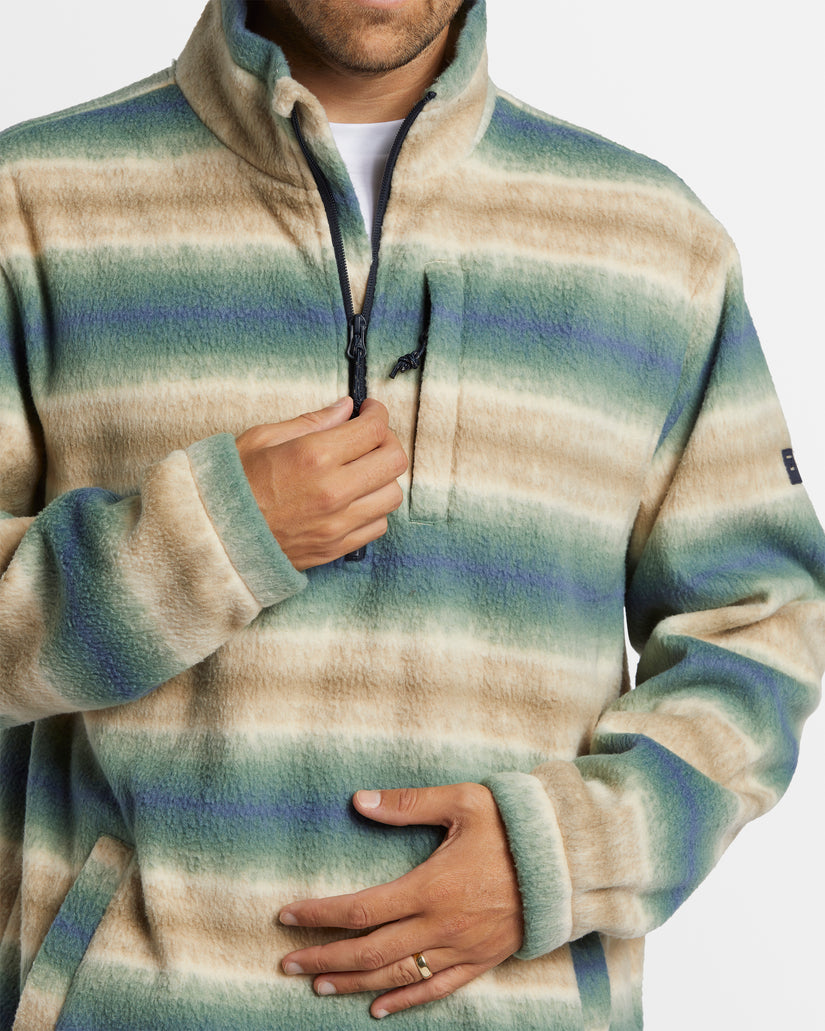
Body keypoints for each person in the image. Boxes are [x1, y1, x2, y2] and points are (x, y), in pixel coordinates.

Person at [0, 0, 822, 1028]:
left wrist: (563, 854)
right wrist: (199, 544)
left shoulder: (655, 243)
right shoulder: (31, 202)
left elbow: (766, 627)